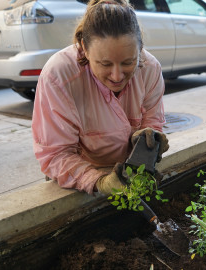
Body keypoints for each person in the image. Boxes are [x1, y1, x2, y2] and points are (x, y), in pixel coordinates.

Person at [31, 0, 169, 196]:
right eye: (105, 64)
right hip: (75, 177)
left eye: (128, 62)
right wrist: (100, 181)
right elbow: (56, 154)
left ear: (140, 49)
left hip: (127, 173)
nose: (117, 76)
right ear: (84, 48)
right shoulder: (59, 77)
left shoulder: (150, 68)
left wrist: (151, 139)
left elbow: (152, 121)